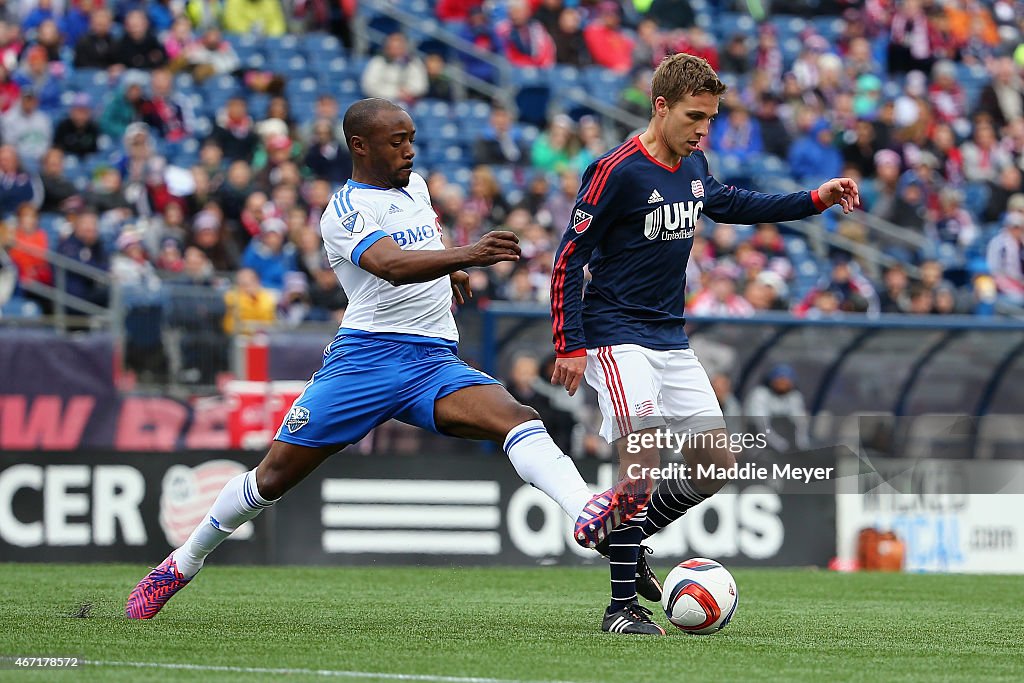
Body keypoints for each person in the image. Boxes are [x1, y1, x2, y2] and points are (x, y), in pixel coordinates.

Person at [126, 98, 644, 619]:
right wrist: (468, 255)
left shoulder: (415, 188)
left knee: (518, 419)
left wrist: (450, 271)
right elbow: (390, 265)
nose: (409, 150)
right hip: (365, 362)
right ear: (360, 146)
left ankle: (588, 515)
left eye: (412, 138)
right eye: (397, 142)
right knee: (272, 479)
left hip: (433, 360)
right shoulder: (345, 209)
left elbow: (422, 243)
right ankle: (180, 565)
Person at [549, 53, 859, 635]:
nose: (703, 129)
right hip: (617, 336)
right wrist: (568, 343)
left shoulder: (694, 165)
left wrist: (812, 200)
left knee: (715, 463)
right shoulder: (615, 170)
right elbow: (569, 259)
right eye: (695, 116)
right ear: (660, 106)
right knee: (640, 464)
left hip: (669, 336)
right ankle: (621, 609)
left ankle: (627, 535)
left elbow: (735, 203)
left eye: (711, 119)